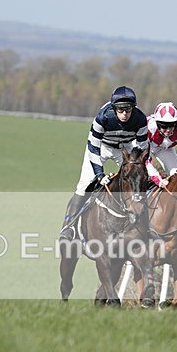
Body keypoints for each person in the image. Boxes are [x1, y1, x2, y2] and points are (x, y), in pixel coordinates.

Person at [58, 85, 148, 240]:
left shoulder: (140, 119)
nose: (124, 114)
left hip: (125, 149)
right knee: (84, 183)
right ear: (114, 108)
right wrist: (99, 175)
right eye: (120, 110)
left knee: (136, 182)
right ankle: (68, 226)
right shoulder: (103, 117)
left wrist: (133, 163)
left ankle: (145, 224)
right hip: (102, 147)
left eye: (128, 110)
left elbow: (142, 147)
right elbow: (93, 147)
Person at [146, 102, 177, 187]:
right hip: (146, 147)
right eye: (164, 126)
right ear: (157, 123)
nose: (168, 130)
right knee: (142, 173)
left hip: (166, 149)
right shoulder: (148, 128)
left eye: (172, 125)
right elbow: (143, 159)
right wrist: (159, 180)